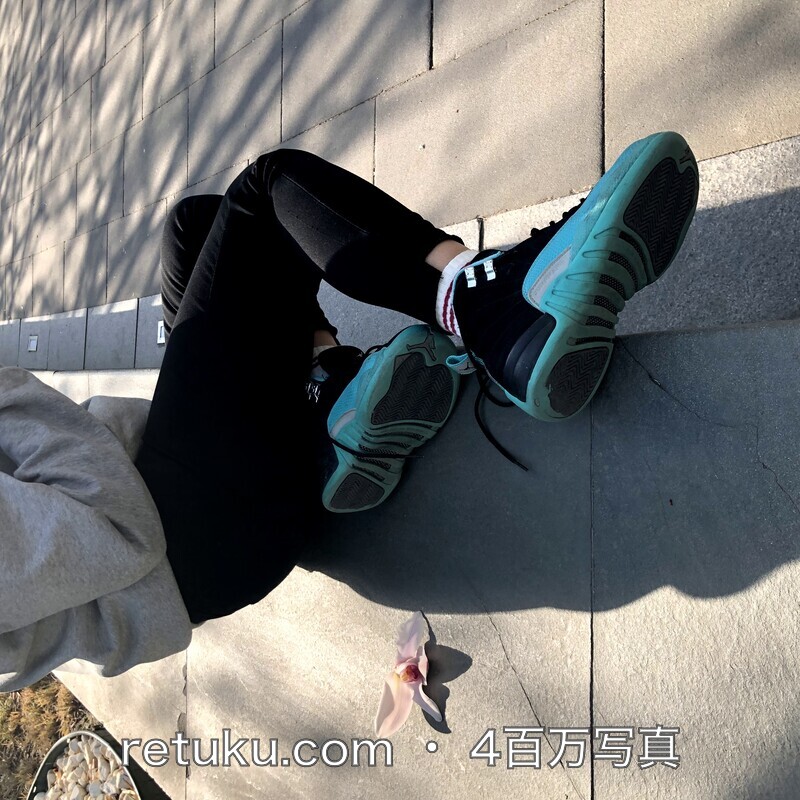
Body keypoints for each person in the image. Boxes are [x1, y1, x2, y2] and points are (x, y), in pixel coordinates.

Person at [0, 131, 699, 691]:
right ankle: (493, 310)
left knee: (195, 227)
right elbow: (111, 533)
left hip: (189, 531)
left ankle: (328, 395)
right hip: (180, 532)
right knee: (265, 193)